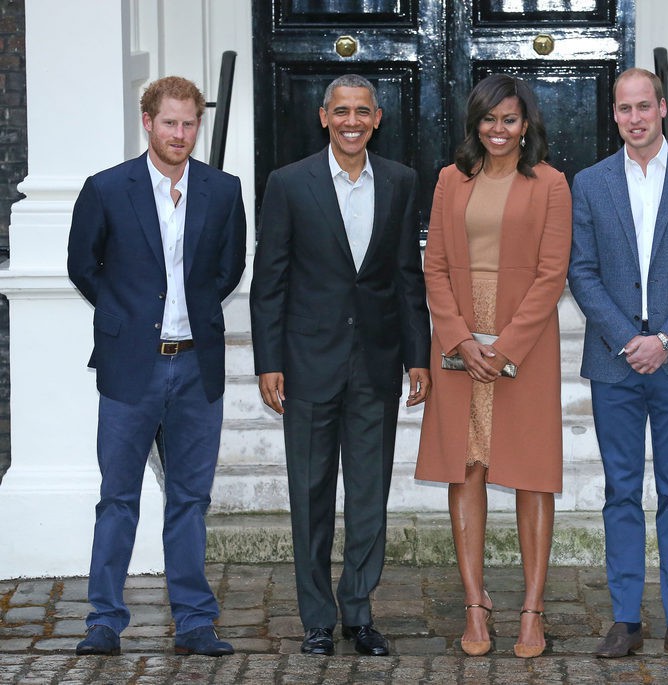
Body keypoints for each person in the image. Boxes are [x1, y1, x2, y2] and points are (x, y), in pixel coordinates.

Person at [250, 74, 431, 658]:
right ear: (323, 116)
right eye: (341, 111)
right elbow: (270, 280)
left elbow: (408, 277)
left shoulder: (401, 183)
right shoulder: (288, 183)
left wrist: (418, 357)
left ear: (377, 118)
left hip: (376, 364)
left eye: (363, 111)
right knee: (309, 495)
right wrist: (268, 360)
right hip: (306, 364)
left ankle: (359, 610)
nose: (352, 121)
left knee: (369, 495)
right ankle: (316, 619)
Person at [67, 76, 247, 657]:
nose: (179, 134)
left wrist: (190, 313)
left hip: (197, 366)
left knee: (191, 499)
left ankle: (195, 621)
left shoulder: (223, 190)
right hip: (130, 367)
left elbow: (229, 268)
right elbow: (82, 264)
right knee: (118, 496)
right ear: (147, 122)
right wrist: (124, 313)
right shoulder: (107, 188)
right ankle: (103, 620)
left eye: (189, 123)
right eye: (169, 122)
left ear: (199, 125)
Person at [567, 68, 668, 659]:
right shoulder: (589, 183)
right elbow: (579, 269)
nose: (635, 118)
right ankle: (625, 618)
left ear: (662, 107)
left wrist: (665, 338)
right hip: (615, 361)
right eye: (624, 109)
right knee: (621, 490)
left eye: (644, 106)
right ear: (615, 114)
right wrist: (624, 337)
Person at [415, 74, 571, 658]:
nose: (497, 130)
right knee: (467, 467)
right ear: (474, 124)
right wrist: (456, 337)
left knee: (531, 471)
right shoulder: (449, 181)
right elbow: (433, 266)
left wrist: (505, 346)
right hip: (459, 340)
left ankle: (532, 609)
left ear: (525, 124)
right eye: (487, 119)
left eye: (508, 119)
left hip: (523, 343)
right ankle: (476, 605)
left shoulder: (551, 184)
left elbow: (552, 274)